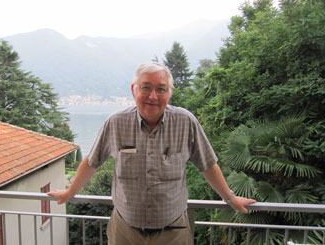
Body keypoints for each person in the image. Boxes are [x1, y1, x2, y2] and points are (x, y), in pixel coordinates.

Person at [48, 61, 256, 244]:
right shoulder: (115, 123)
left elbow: (208, 165)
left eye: (161, 89)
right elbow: (92, 162)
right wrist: (70, 193)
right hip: (125, 232)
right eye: (145, 88)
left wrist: (231, 199)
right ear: (134, 90)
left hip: (173, 233)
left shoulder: (185, 122)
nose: (153, 97)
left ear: (170, 92)